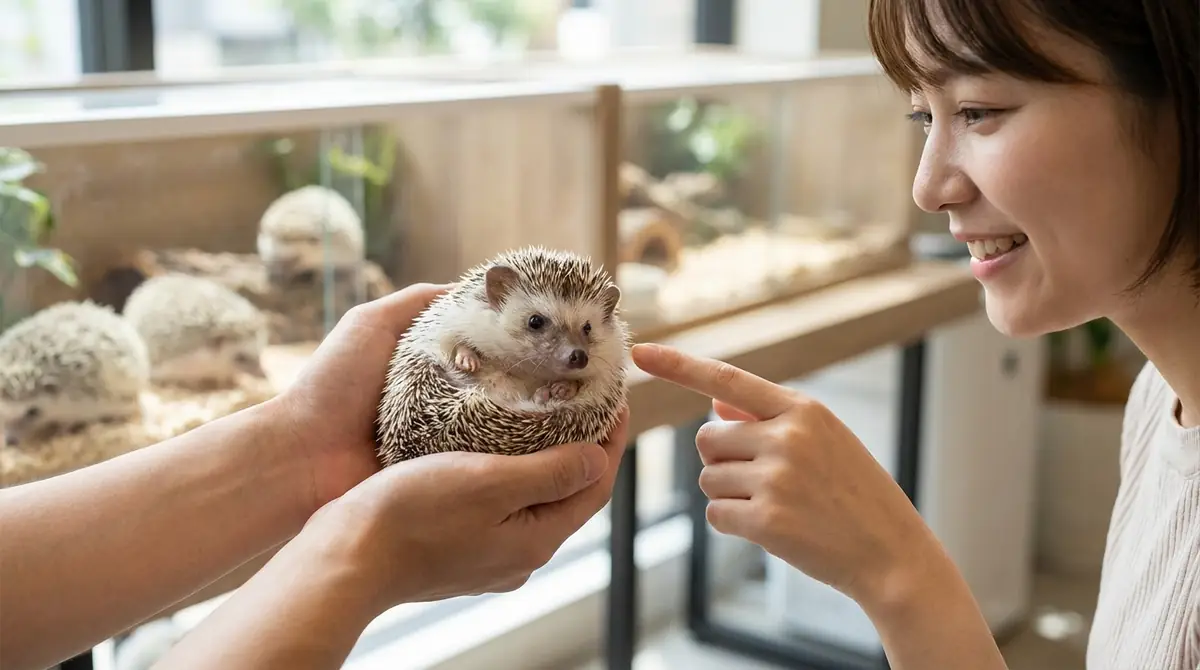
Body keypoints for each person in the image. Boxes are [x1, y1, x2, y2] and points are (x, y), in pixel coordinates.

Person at [632, 1, 1197, 669]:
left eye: (978, 111)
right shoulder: (1160, 402)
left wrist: (897, 572)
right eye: (924, 116)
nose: (928, 188)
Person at [0, 282, 629, 670]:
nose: (569, 350)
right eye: (539, 325)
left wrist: (299, 442)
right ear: (493, 298)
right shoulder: (461, 334)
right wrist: (371, 552)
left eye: (584, 333)